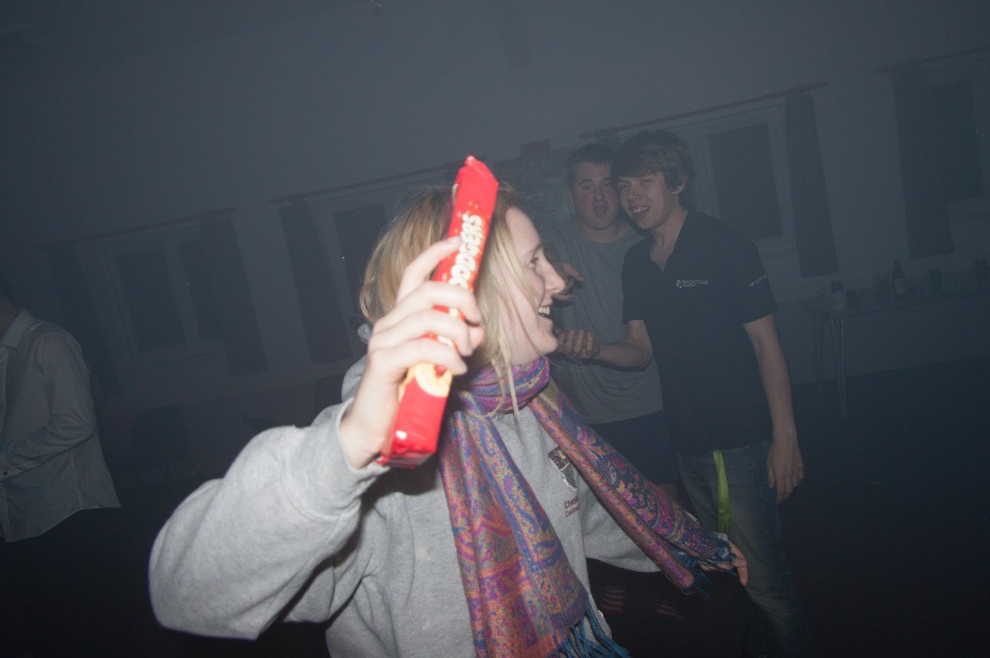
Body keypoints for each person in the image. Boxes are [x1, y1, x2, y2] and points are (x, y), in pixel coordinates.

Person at [149, 182, 747, 657]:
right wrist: (349, 447)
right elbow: (189, 594)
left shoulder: (530, 399)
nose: (558, 282)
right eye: (535, 262)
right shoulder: (378, 453)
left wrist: (693, 543)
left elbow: (583, 510)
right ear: (471, 291)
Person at [566, 130, 814, 656]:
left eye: (644, 182)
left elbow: (768, 345)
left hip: (739, 439)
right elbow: (639, 350)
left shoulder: (723, 245)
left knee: (764, 579)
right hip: (685, 441)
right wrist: (593, 350)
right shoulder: (638, 261)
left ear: (677, 182)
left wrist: (786, 437)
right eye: (625, 185)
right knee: (731, 569)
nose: (632, 197)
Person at [544, 143, 679, 496]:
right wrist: (548, 269)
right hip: (585, 415)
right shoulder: (555, 241)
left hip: (650, 404)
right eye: (587, 186)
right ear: (571, 195)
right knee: (606, 517)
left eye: (607, 184)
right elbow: (538, 255)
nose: (599, 196)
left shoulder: (645, 246)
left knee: (667, 511)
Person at [0, 274, 122, 654]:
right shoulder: (9, 353)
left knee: (93, 630)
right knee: (57, 631)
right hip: (28, 516)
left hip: (69, 512)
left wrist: (5, 461)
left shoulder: (47, 341)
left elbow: (76, 422)